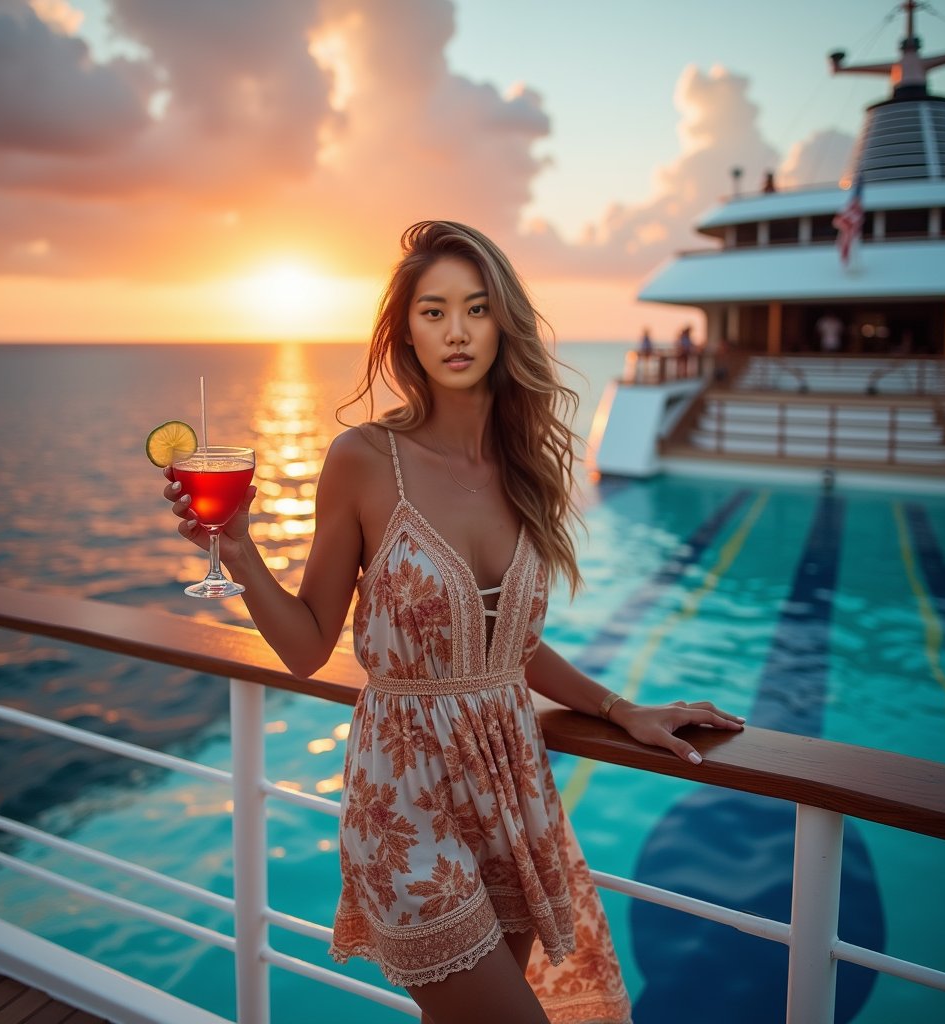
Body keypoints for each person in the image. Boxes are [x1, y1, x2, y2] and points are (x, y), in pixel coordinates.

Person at [161, 221, 744, 1024]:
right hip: (404, 805)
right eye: (433, 312)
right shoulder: (364, 459)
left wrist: (620, 709)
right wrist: (240, 551)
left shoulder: (523, 465)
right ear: (406, 331)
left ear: (504, 323)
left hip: (511, 790)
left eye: (476, 308)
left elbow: (508, 649)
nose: (458, 331)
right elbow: (305, 648)